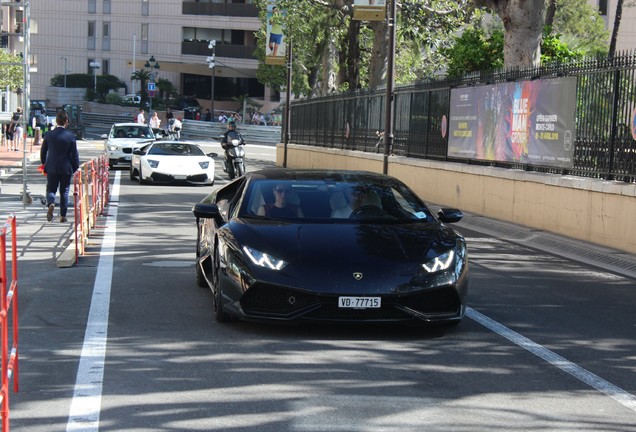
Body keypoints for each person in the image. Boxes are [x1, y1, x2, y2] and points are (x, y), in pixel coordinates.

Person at [40, 110, 80, 223]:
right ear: (66, 121)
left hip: (52, 166)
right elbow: (74, 154)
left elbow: (43, 151)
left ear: (56, 121)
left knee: (51, 189)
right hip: (66, 168)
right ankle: (63, 215)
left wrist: (43, 163)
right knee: (65, 191)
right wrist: (75, 167)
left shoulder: (49, 135)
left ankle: (51, 202)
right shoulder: (71, 136)